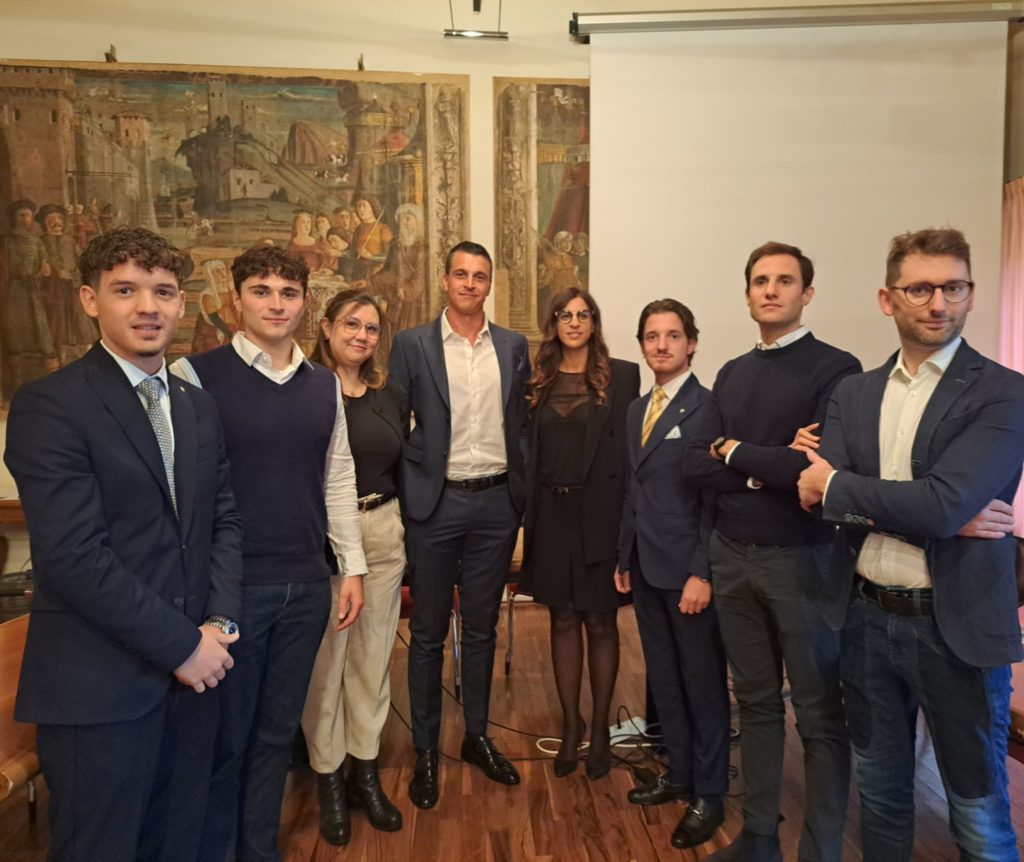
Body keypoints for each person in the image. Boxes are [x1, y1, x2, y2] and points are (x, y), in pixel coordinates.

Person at [5, 225, 243, 862]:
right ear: (90, 299)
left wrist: (219, 625)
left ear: (182, 303)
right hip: (102, 690)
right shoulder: (50, 405)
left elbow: (223, 520)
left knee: (181, 843)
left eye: (163, 291)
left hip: (196, 682)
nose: (147, 307)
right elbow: (73, 558)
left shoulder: (196, 406)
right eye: (126, 290)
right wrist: (182, 646)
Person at [798, 227, 1024, 862]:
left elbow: (937, 502)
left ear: (970, 293)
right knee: (881, 796)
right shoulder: (854, 393)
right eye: (921, 288)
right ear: (887, 298)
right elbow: (818, 499)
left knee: (978, 814)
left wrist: (860, 494)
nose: (939, 303)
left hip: (956, 628)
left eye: (955, 287)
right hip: (866, 620)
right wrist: (930, 514)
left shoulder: (1005, 391)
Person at [170, 245, 367, 862]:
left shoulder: (324, 385)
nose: (275, 304)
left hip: (306, 585)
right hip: (230, 591)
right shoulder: (194, 375)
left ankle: (257, 850)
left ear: (305, 303)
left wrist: (352, 567)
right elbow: (179, 488)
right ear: (236, 299)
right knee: (224, 739)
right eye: (261, 291)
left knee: (276, 736)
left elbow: (338, 478)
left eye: (288, 293)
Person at [684, 241, 861, 862]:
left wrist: (734, 449)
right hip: (732, 555)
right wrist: (770, 461)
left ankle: (819, 850)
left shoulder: (837, 369)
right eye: (761, 280)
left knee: (818, 715)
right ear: (747, 294)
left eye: (785, 280)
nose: (771, 290)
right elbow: (695, 462)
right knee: (756, 704)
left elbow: (815, 471)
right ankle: (760, 837)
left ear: (806, 293)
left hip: (802, 560)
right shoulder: (732, 372)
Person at [388, 240, 530, 809]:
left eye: (480, 276)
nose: (470, 283)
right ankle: (425, 749)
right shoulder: (412, 344)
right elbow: (394, 423)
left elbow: (522, 421)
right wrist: (409, 491)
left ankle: (476, 736)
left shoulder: (513, 346)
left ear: (489, 284)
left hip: (496, 505)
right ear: (444, 281)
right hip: (436, 505)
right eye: (461, 274)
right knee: (426, 633)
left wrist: (520, 491)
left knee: (481, 628)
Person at [615, 299, 730, 850]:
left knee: (702, 684)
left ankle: (709, 792)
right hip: (644, 565)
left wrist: (701, 571)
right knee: (664, 680)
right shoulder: (636, 410)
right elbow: (632, 490)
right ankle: (679, 774)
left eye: (673, 335)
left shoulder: (709, 409)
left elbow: (714, 500)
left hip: (687, 572)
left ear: (692, 343)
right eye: (651, 336)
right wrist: (624, 556)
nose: (661, 345)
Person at [518, 287, 639, 779]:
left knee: (601, 620)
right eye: (565, 315)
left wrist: (627, 532)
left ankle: (602, 731)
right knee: (563, 619)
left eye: (582, 315)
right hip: (551, 513)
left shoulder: (623, 376)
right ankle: (572, 725)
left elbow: (630, 458)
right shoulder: (537, 380)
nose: (573, 322)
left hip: (601, 514)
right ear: (554, 323)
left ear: (594, 322)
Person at [301, 289, 406, 846]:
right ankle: (329, 782)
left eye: (370, 328)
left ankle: (365, 774)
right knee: (326, 667)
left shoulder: (386, 396)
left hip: (383, 533)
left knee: (371, 661)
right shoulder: (305, 391)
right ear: (325, 326)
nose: (361, 336)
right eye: (351, 324)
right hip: (325, 545)